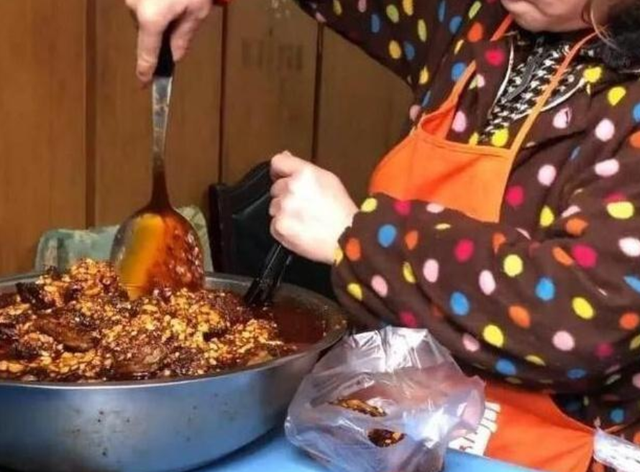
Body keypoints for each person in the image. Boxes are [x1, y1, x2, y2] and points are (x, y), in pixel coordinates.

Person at [126, 0, 640, 471]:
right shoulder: (475, 21)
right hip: (398, 436)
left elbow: (584, 314)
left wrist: (358, 242)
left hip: (548, 455)